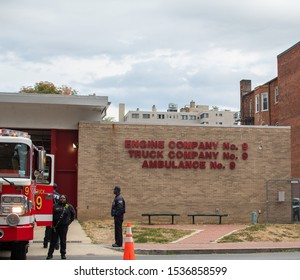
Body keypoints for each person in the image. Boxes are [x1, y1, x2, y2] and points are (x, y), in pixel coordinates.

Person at [46, 194, 76, 259]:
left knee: (63, 241)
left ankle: (63, 254)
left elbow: (73, 215)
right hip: (55, 227)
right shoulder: (54, 206)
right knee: (53, 241)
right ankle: (50, 254)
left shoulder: (69, 206)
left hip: (64, 227)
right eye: (61, 198)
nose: (62, 199)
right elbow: (50, 215)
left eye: (63, 198)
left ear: (66, 199)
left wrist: (69, 222)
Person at [43, 183, 60, 249]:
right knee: (57, 229)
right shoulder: (59, 195)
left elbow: (45, 204)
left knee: (48, 229)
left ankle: (45, 244)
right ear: (56, 188)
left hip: (49, 214)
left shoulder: (48, 195)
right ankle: (57, 245)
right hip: (57, 214)